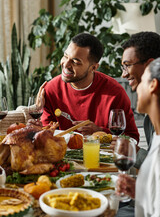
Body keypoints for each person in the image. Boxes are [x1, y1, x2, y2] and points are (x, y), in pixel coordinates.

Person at [41, 33, 139, 142]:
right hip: (64, 156)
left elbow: (132, 139)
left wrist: (100, 132)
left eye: (75, 62)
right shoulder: (51, 89)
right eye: (65, 56)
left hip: (103, 157)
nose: (66, 64)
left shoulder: (114, 93)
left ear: (93, 67)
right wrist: (36, 111)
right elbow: (45, 133)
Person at [112, 31, 160, 217]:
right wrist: (139, 190)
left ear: (149, 67)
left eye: (127, 66)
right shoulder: (150, 121)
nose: (123, 75)